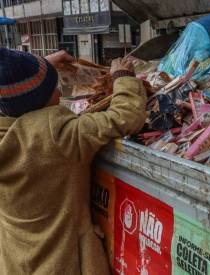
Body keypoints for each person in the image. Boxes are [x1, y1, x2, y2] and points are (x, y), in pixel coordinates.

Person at [0, 48, 147, 274]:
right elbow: (125, 116)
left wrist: (43, 67)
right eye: (54, 87)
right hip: (64, 263)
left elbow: (21, 96)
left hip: (16, 261)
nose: (59, 91)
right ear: (42, 100)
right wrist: (123, 78)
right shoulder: (59, 134)